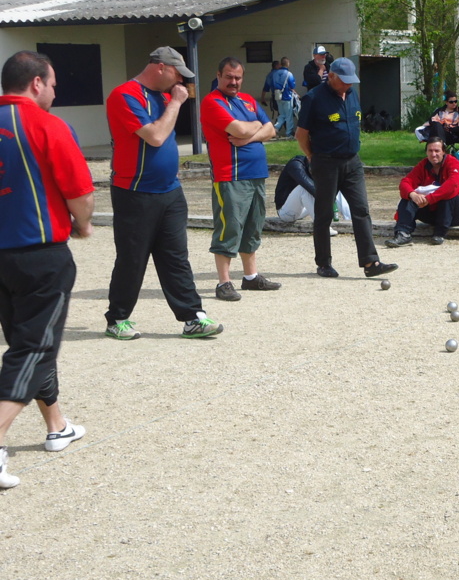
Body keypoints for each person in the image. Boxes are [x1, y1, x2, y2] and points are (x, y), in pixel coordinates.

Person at [0, 50, 95, 489]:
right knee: (34, 349)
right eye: (53, 84)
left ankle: (55, 424)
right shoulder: (46, 125)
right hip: (39, 255)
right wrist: (81, 223)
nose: (55, 92)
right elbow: (80, 192)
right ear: (36, 83)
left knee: (29, 341)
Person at [104, 46, 224, 338]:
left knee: (176, 257)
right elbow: (155, 136)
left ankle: (192, 315)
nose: (180, 82)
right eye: (176, 74)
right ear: (159, 67)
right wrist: (176, 103)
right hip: (135, 191)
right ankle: (116, 318)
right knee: (132, 258)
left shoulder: (165, 95)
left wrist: (174, 101)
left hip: (170, 191)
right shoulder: (125, 95)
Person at [296, 57, 398, 279]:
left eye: (352, 81)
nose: (349, 85)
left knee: (361, 210)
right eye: (345, 81)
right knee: (324, 214)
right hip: (325, 162)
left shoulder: (352, 95)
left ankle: (371, 262)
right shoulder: (314, 98)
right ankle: (324, 263)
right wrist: (312, 156)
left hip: (352, 161)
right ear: (331, 76)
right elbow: (301, 134)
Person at [201, 57, 282, 301]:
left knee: (253, 226)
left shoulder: (247, 100)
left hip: (256, 174)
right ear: (219, 76)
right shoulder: (212, 102)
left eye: (237, 78)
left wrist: (251, 136)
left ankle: (250, 277)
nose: (233, 82)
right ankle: (224, 282)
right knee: (230, 227)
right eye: (229, 77)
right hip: (231, 176)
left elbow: (271, 129)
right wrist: (255, 127)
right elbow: (239, 129)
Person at [385, 137, 459, 247]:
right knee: (407, 198)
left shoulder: (453, 163)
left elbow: (453, 185)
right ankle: (403, 233)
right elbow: (405, 182)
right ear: (426, 152)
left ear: (443, 151)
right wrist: (412, 194)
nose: (433, 154)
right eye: (430, 151)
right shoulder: (423, 165)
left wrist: (430, 199)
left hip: (454, 213)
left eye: (437, 151)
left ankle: (439, 233)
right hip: (432, 210)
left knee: (450, 195)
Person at [274, 155, 340, 236]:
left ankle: (349, 219)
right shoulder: (296, 166)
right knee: (304, 189)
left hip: (301, 209)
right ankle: (323, 228)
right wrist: (328, 199)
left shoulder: (312, 165)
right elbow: (310, 187)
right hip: (286, 213)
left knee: (337, 188)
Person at [268, 57, 297, 138]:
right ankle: (289, 133)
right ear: (288, 64)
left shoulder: (274, 74)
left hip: (278, 96)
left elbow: (272, 85)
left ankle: (275, 128)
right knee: (288, 116)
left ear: (281, 64)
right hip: (287, 96)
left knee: (281, 115)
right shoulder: (289, 74)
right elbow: (292, 85)